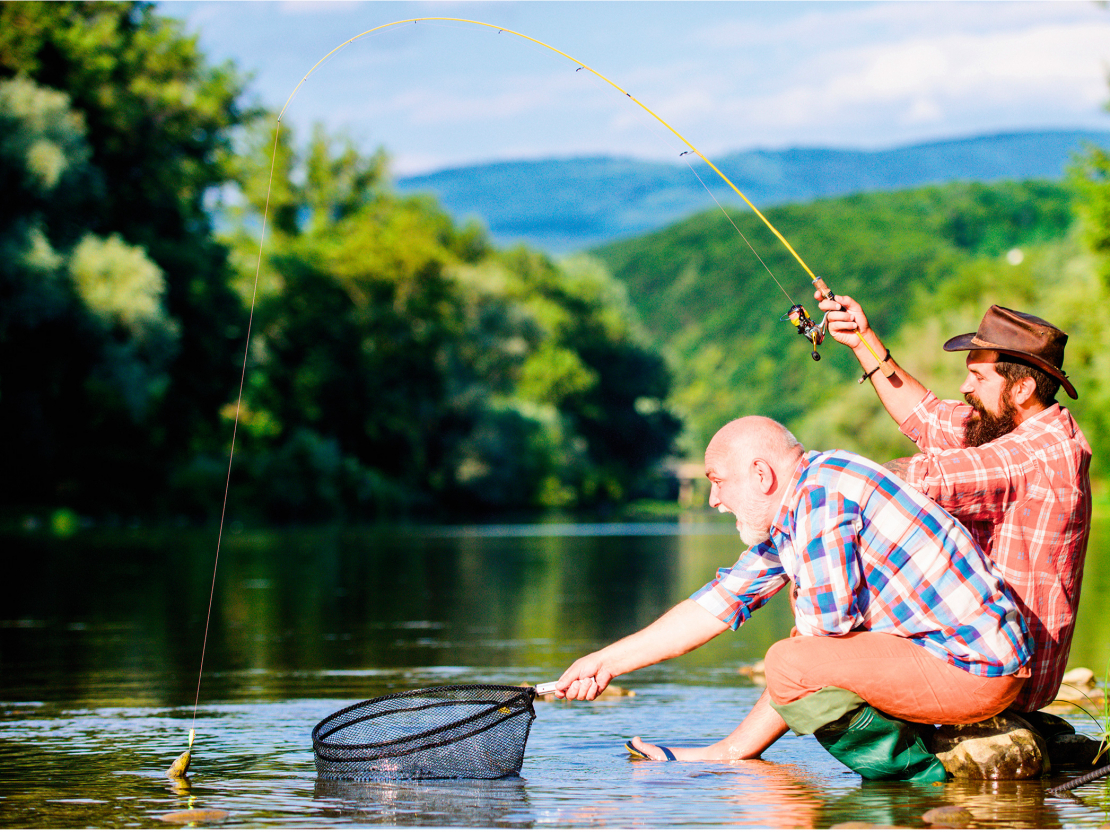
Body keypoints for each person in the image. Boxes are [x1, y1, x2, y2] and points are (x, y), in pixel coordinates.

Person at [555, 416, 1031, 782]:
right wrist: (605, 661)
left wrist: (738, 744)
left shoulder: (821, 501)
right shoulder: (805, 496)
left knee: (791, 658)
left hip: (975, 670)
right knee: (797, 655)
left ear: (761, 474)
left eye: (717, 481)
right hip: (960, 659)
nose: (714, 501)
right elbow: (716, 604)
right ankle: (736, 750)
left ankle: (919, 776)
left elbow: (818, 642)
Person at [815, 297, 1092, 719]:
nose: (965, 387)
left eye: (977, 376)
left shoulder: (1034, 454)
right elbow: (927, 418)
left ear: (1022, 388)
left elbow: (923, 478)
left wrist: (818, 479)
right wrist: (862, 341)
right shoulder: (1026, 425)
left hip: (1003, 679)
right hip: (997, 659)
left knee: (813, 651)